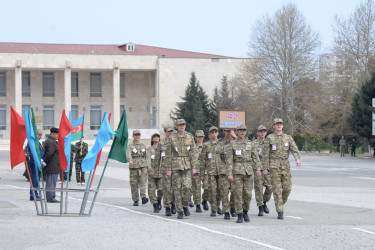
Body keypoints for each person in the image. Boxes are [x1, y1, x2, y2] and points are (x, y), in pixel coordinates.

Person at [264, 118, 301, 219]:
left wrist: (297, 159)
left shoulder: (287, 137)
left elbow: (294, 149)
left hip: (285, 166)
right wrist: (265, 167)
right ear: (274, 126)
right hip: (274, 166)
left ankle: (280, 203)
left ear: (283, 126)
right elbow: (265, 154)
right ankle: (280, 210)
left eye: (280, 124)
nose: (279, 125)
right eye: (277, 124)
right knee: (276, 190)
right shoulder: (270, 138)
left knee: (287, 188)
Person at [227, 124, 262, 223]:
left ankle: (245, 211)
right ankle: (239, 214)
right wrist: (229, 173)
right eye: (240, 130)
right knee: (238, 194)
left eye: (244, 130)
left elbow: (255, 157)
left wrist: (258, 169)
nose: (242, 132)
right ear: (237, 132)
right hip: (237, 172)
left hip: (248, 172)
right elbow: (229, 161)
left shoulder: (250, 144)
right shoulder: (232, 144)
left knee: (248, 194)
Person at [169, 119, 197, 219]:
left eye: (183, 125)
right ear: (176, 126)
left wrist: (194, 167)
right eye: (180, 125)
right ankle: (180, 210)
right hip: (175, 165)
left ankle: (185, 205)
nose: (182, 126)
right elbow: (168, 154)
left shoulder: (189, 136)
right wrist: (168, 169)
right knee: (177, 189)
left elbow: (193, 152)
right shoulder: (172, 138)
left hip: (186, 165)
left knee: (187, 187)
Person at [200, 127, 224, 217]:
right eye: (212, 133)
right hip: (211, 172)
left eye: (215, 132)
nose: (214, 134)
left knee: (220, 191)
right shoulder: (206, 145)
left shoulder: (222, 144)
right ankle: (214, 209)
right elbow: (203, 161)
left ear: (218, 133)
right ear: (209, 134)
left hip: (221, 171)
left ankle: (217, 206)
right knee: (212, 191)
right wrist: (202, 174)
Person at [252, 125, 272, 216]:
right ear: (257, 133)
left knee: (270, 187)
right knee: (258, 188)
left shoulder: (269, 142)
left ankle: (264, 202)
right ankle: (260, 207)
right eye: (260, 131)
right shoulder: (254, 143)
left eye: (264, 131)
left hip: (268, 169)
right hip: (258, 169)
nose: (262, 133)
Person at [155, 124, 175, 216]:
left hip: (175, 168)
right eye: (168, 131)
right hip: (164, 169)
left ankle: (173, 204)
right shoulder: (161, 143)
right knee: (166, 189)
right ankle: (167, 207)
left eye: (171, 131)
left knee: (175, 188)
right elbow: (157, 158)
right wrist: (156, 170)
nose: (170, 133)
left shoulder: (176, 141)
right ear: (165, 132)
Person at [126, 130, 149, 206]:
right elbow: (128, 154)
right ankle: (135, 200)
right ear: (133, 136)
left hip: (143, 166)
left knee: (143, 182)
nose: (137, 136)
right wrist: (130, 160)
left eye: (138, 135)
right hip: (134, 167)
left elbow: (147, 155)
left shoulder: (143, 145)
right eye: (135, 135)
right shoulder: (130, 146)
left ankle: (143, 197)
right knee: (134, 184)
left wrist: (148, 164)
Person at [218, 128, 237, 219]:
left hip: (235, 170)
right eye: (227, 130)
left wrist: (235, 139)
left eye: (231, 130)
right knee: (224, 192)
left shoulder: (238, 141)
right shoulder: (220, 142)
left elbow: (243, 149)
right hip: (224, 170)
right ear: (224, 131)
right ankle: (226, 211)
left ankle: (233, 207)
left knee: (234, 191)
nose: (229, 132)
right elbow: (218, 151)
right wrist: (231, 143)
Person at [43, 127, 60, 203]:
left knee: (52, 182)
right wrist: (45, 162)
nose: (58, 136)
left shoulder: (51, 141)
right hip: (52, 166)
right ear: (53, 134)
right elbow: (50, 154)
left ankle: (51, 196)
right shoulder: (51, 142)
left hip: (53, 166)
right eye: (57, 134)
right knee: (50, 183)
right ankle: (50, 198)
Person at [147, 132, 163, 213]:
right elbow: (148, 159)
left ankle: (159, 200)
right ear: (152, 139)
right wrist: (149, 166)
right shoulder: (150, 149)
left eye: (158, 137)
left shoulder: (162, 148)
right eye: (155, 137)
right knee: (151, 190)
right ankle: (155, 204)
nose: (156, 138)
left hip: (161, 172)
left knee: (161, 189)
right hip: (152, 172)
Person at [27, 129, 44, 201]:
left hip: (39, 163)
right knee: (34, 179)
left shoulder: (38, 143)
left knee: (37, 180)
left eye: (41, 135)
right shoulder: (32, 142)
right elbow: (32, 153)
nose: (40, 136)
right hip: (34, 163)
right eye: (39, 134)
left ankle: (36, 194)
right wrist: (37, 161)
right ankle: (32, 195)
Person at [192, 130, 204, 213]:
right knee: (196, 188)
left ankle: (205, 200)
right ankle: (198, 204)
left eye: (201, 137)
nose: (200, 138)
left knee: (208, 188)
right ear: (195, 137)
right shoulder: (192, 147)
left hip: (205, 170)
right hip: (195, 170)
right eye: (198, 137)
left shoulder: (206, 147)